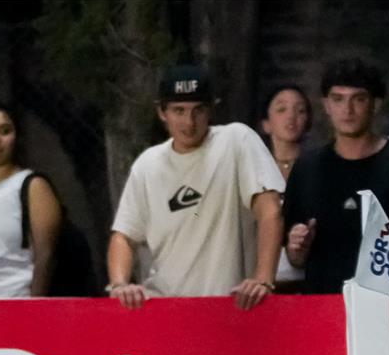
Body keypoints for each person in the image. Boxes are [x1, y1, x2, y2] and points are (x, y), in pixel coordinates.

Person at [106, 64, 284, 311]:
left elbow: (270, 211)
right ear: (162, 112)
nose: (189, 122)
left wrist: (263, 280)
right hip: (165, 307)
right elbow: (123, 235)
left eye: (197, 110)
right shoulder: (147, 164)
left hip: (231, 305)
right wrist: (119, 285)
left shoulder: (236, 140)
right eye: (179, 110)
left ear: (210, 109)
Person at [283, 57, 389, 294]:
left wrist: (383, 265)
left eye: (358, 99)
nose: (347, 110)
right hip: (324, 302)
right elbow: (295, 255)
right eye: (338, 99)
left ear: (375, 104)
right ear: (326, 105)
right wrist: (297, 247)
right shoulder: (307, 167)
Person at [0, 102, 62, 297]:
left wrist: (32, 306)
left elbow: (45, 257)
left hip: (15, 300)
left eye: (5, 131)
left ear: (16, 138)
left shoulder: (32, 185)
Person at [259, 84, 314, 294]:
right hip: (262, 283)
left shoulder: (318, 169)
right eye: (281, 109)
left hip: (307, 282)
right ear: (266, 124)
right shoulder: (253, 172)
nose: (291, 117)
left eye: (300, 110)